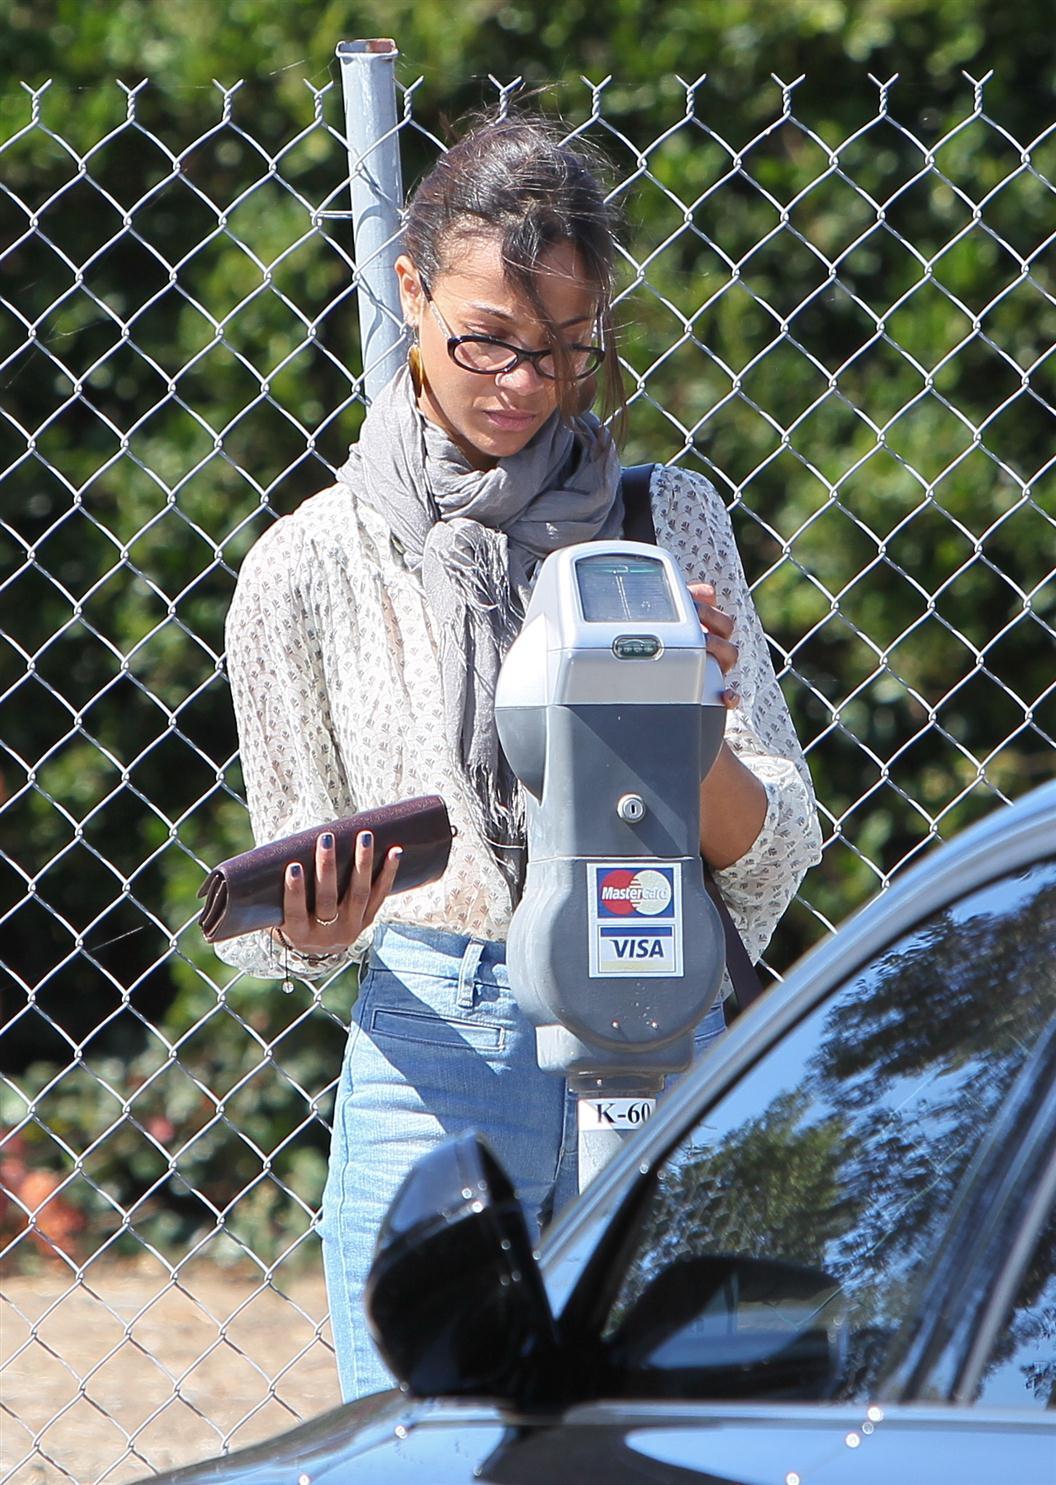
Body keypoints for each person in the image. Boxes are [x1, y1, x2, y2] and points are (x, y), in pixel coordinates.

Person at [213, 112, 822, 1401]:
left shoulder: (671, 525)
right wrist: (321, 923)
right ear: (411, 289)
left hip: (663, 1008)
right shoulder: (305, 568)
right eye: (486, 338)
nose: (524, 385)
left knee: (672, 1445)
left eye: (566, 351)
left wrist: (684, 729)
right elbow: (278, 940)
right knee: (419, 1446)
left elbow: (774, 848)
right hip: (436, 1045)